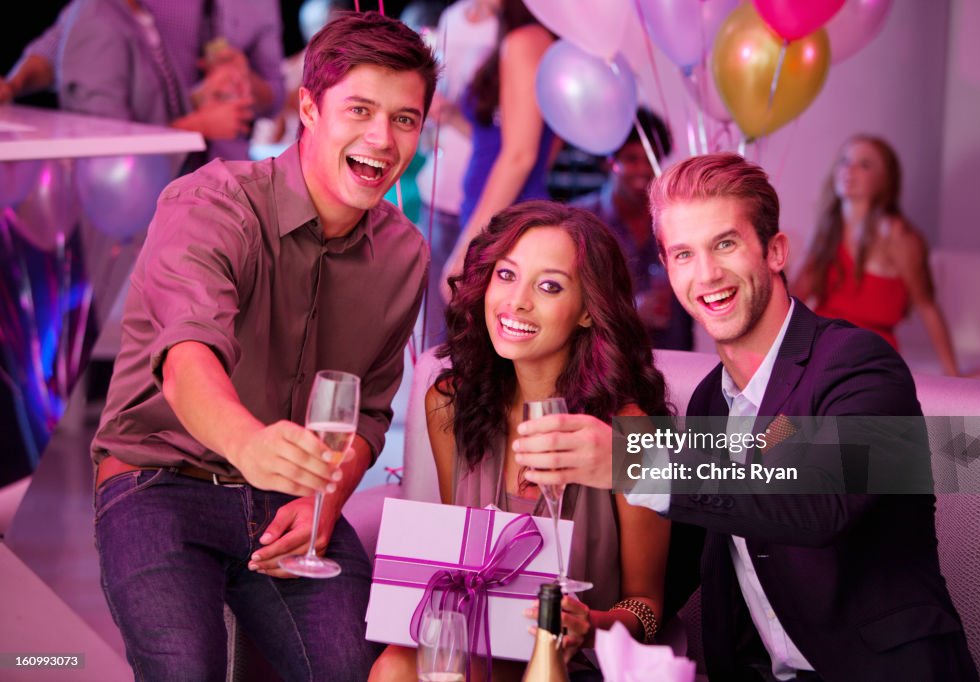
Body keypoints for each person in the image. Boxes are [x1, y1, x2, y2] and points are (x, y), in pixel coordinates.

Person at [512, 154, 978, 681]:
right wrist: (594, 625)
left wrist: (631, 460)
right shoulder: (713, 399)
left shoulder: (858, 365)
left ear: (775, 251)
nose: (706, 273)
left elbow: (818, 500)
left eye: (725, 244)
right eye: (684, 254)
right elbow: (676, 571)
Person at [89, 12, 437, 680]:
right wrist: (249, 444)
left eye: (405, 119)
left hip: (293, 505)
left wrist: (329, 496)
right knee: (186, 669)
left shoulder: (404, 254)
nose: (382, 139)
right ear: (308, 106)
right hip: (162, 480)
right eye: (359, 109)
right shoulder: (210, 204)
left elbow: (368, 412)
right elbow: (188, 358)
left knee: (351, 671)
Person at [368, 201, 671, 681]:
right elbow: (464, 560)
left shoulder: (631, 430)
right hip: (482, 652)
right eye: (506, 276)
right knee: (396, 665)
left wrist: (587, 626)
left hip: (576, 663)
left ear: (590, 311)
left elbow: (649, 609)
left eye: (549, 286)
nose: (517, 302)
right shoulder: (450, 403)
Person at [3, 0, 285, 161]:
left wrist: (245, 79)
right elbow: (60, 43)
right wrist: (13, 85)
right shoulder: (106, 11)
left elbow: (275, 91)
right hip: (153, 173)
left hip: (227, 164)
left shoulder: (260, 5)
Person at [791, 135, 978, 376]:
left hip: (867, 353)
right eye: (844, 161)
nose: (849, 170)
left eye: (865, 164)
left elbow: (927, 306)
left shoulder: (898, 236)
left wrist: (954, 375)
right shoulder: (826, 229)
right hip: (820, 344)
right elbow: (795, 299)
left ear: (885, 180)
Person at [439, 0, 556, 293]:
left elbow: (521, 155)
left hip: (502, 223)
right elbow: (512, 142)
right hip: (497, 214)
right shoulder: (526, 38)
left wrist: (468, 248)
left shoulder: (526, 40)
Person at [572, 108, 693, 351]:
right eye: (631, 159)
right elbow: (568, 301)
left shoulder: (677, 218)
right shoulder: (579, 222)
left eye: (651, 159)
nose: (643, 170)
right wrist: (633, 309)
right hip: (603, 364)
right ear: (609, 162)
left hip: (675, 361)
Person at [415, 0, 499, 345]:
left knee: (473, 329)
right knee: (432, 327)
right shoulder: (453, 16)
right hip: (437, 190)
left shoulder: (513, 30)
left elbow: (506, 142)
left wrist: (452, 118)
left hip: (485, 196)